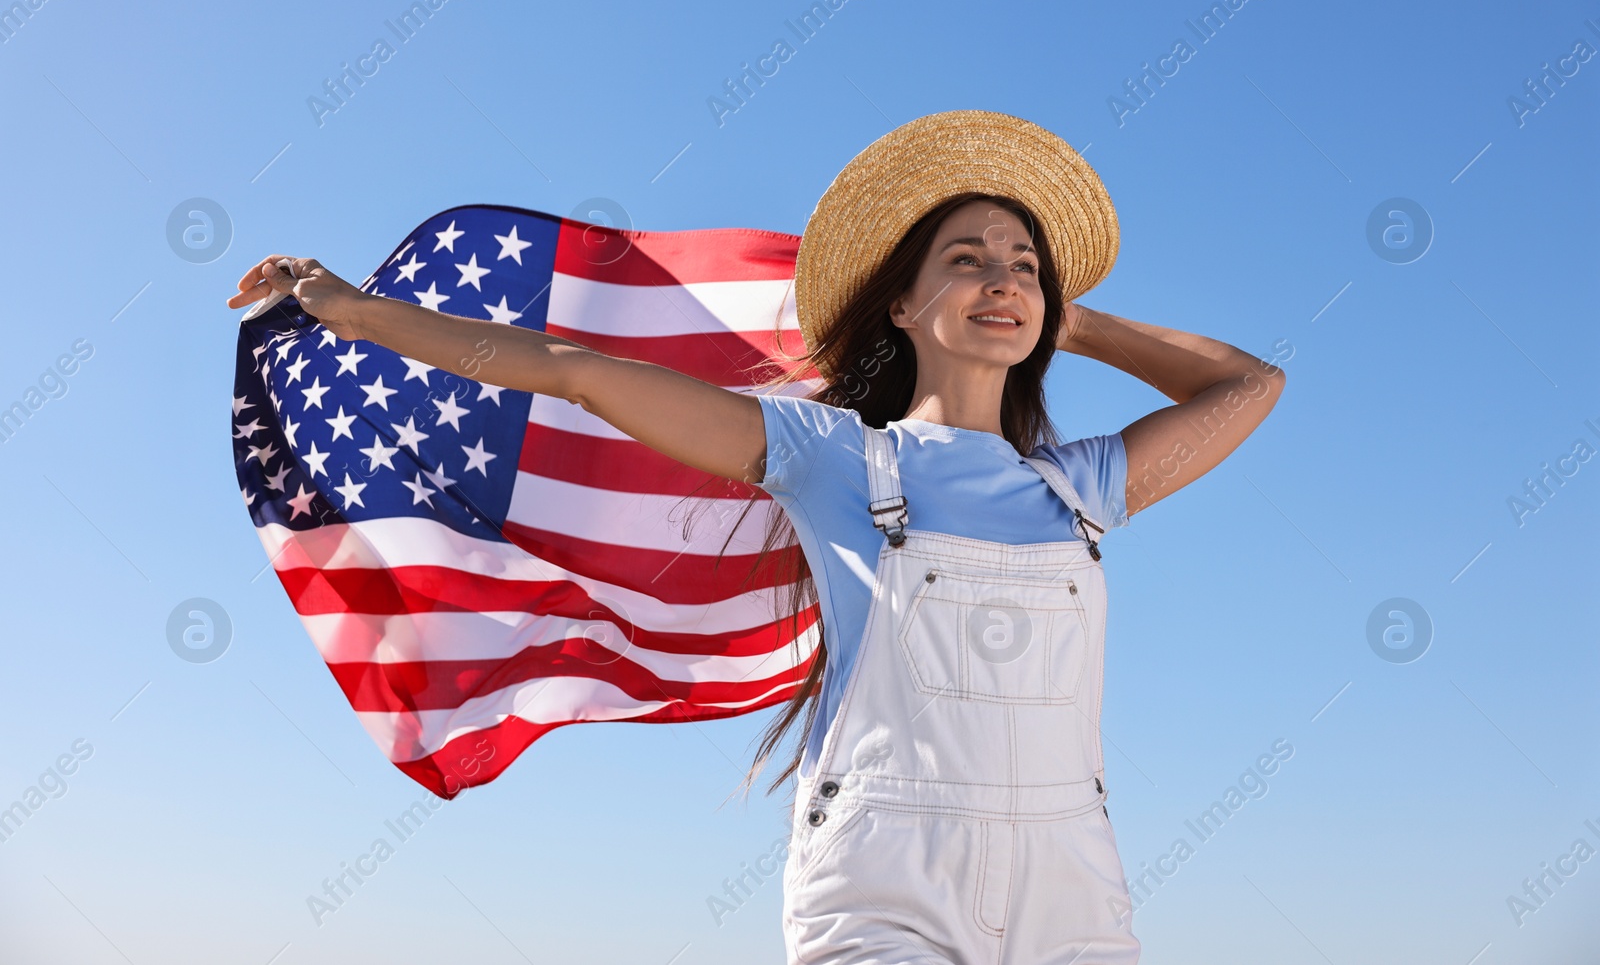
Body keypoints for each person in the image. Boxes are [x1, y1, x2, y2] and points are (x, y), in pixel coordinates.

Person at [226, 111, 1285, 964]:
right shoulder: (829, 455)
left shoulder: (1079, 487)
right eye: (966, 259)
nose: (1002, 278)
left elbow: (1248, 385)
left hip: (1073, 884)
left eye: (1022, 262)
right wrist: (355, 313)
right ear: (905, 306)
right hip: (886, 882)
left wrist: (1075, 315)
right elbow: (573, 370)